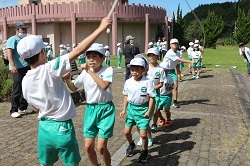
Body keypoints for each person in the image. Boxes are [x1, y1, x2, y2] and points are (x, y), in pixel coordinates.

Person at [16, 17, 112, 166]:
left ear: (23, 58)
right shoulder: (50, 68)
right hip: (62, 127)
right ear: (42, 53)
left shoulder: (24, 80)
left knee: (46, 163)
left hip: (43, 129)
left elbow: (34, 107)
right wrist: (100, 28)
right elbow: (79, 50)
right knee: (71, 163)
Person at [63, 42, 115, 166]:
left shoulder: (108, 69)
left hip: (106, 110)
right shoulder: (86, 73)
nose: (91, 59)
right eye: (89, 56)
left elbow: (104, 85)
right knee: (88, 147)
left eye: (95, 56)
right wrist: (67, 80)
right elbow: (74, 88)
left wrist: (88, 71)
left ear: (103, 58)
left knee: (101, 147)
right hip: (91, 110)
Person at [120, 58, 155, 163]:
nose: (134, 72)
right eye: (132, 69)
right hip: (131, 109)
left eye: (137, 69)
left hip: (143, 109)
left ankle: (145, 152)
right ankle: (131, 144)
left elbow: (152, 97)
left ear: (143, 70)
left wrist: (149, 111)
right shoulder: (128, 82)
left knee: (143, 134)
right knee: (126, 132)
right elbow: (126, 96)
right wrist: (124, 109)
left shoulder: (148, 82)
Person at [6, 22, 33, 118]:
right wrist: (13, 65)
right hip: (17, 67)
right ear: (17, 30)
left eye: (25, 29)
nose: (25, 31)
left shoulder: (24, 40)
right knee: (17, 88)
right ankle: (14, 109)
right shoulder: (13, 39)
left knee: (25, 88)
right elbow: (9, 53)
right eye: (22, 29)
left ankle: (23, 107)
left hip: (26, 66)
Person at [163, 38, 194, 108]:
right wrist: (190, 62)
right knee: (164, 87)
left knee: (175, 86)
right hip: (164, 71)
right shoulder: (169, 52)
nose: (175, 45)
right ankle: (162, 100)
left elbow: (177, 63)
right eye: (173, 43)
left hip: (172, 71)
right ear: (170, 45)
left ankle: (175, 101)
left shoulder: (178, 53)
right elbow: (179, 59)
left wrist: (178, 72)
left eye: (176, 43)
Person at [145, 48, 165, 133]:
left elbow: (161, 83)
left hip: (155, 92)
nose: (152, 57)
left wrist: (153, 89)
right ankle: (146, 125)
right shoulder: (145, 68)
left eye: (154, 55)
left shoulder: (160, 69)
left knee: (155, 110)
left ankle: (154, 124)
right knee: (147, 109)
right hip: (145, 92)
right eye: (150, 55)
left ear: (157, 56)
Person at [158, 61, 174, 127]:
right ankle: (161, 119)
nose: (164, 72)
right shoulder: (158, 77)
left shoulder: (169, 78)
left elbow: (172, 87)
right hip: (159, 95)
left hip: (167, 96)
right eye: (163, 70)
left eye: (166, 70)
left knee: (166, 109)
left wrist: (169, 88)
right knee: (156, 110)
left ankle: (168, 119)